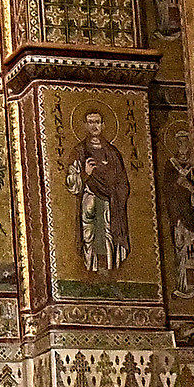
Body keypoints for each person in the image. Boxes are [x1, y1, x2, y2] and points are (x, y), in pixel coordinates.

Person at [63, 109, 131, 275]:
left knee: (109, 233)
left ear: (103, 125)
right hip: (90, 199)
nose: (94, 126)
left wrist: (116, 193)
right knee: (90, 235)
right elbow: (71, 182)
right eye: (91, 122)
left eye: (98, 122)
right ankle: (91, 270)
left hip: (110, 202)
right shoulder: (80, 151)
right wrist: (85, 174)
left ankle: (109, 271)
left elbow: (123, 182)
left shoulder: (113, 153)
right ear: (86, 125)